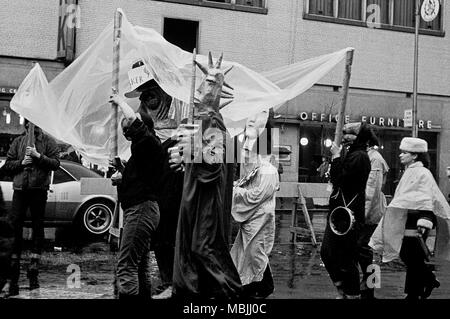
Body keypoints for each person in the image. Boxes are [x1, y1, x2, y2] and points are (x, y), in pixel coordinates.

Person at [171, 53, 242, 299]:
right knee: (193, 247)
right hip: (194, 198)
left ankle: (231, 292)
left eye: (211, 84)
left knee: (203, 247)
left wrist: (191, 150)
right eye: (205, 82)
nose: (203, 89)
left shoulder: (214, 123)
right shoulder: (202, 122)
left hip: (207, 202)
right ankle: (195, 291)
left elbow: (212, 165)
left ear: (219, 88)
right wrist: (183, 158)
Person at [370, 137, 450, 299]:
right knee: (410, 255)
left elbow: (426, 197)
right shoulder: (411, 171)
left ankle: (415, 292)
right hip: (409, 219)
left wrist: (424, 221)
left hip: (419, 220)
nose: (400, 155)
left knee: (412, 255)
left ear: (415, 155)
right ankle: (427, 281)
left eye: (404, 152)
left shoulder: (422, 173)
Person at [109, 90, 164, 299]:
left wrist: (120, 100)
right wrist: (122, 172)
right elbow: (140, 179)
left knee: (126, 266)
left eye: (132, 126)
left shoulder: (149, 143)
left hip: (141, 210)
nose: (128, 128)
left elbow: (133, 119)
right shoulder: (143, 151)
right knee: (139, 265)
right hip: (141, 209)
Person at [2, 120, 60, 296]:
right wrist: (21, 163)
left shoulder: (48, 142)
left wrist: (38, 156)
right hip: (20, 189)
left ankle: (34, 261)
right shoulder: (18, 141)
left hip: (38, 190)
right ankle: (14, 260)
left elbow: (56, 163)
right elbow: (8, 165)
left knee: (37, 224)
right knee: (15, 224)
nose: (31, 125)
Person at [320, 122, 372, 299]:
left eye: (350, 135)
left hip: (358, 214)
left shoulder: (363, 157)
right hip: (344, 212)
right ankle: (353, 289)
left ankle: (367, 290)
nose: (345, 138)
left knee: (366, 256)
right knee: (333, 253)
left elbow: (342, 180)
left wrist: (335, 158)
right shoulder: (351, 154)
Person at [230, 111, 279, 299]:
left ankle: (259, 285)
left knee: (255, 251)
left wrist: (235, 192)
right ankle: (257, 284)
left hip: (260, 213)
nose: (250, 118)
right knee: (248, 251)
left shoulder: (267, 166)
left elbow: (258, 192)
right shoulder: (246, 148)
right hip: (253, 213)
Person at [357, 135, 389, 299]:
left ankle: (369, 289)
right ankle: (367, 288)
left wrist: (362, 216)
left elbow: (371, 191)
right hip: (365, 212)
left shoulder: (375, 159)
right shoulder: (368, 157)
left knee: (365, 250)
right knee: (363, 251)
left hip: (370, 214)